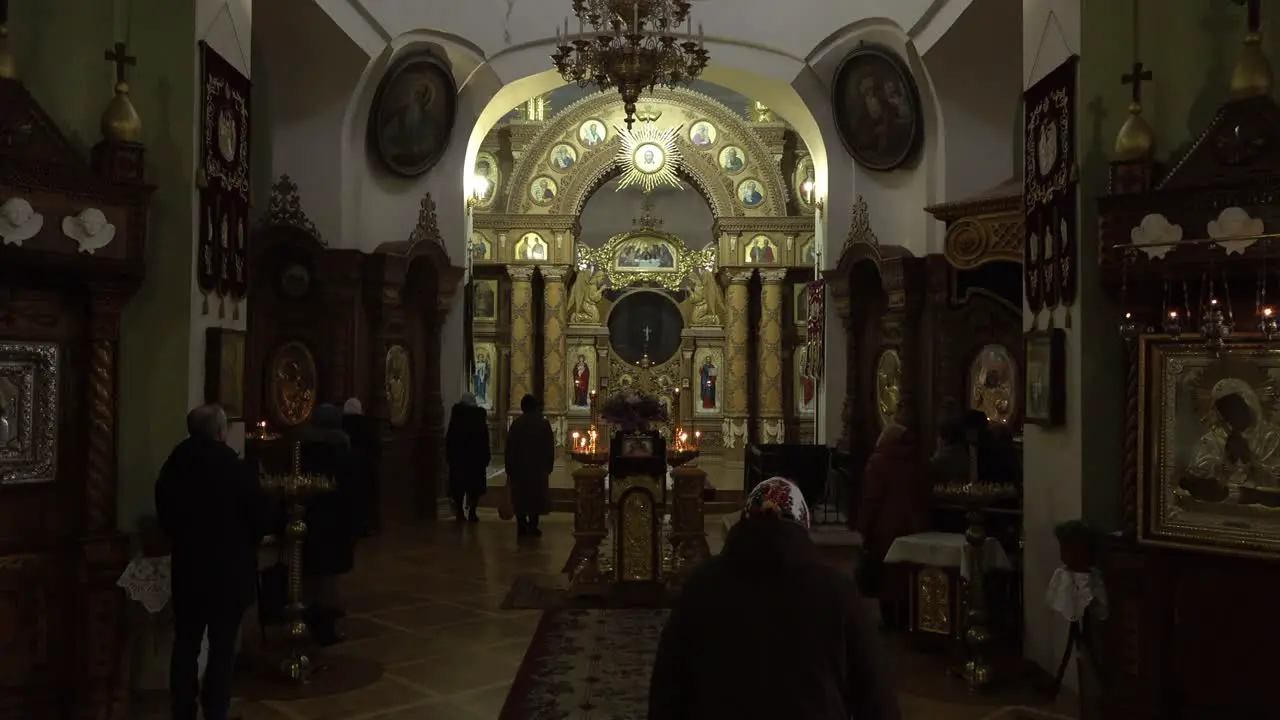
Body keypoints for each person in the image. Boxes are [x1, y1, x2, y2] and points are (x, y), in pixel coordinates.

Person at [649, 477, 901, 720]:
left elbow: (668, 688)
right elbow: (875, 695)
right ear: (804, 526)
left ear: (745, 519)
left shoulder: (701, 584)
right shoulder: (837, 591)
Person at [155, 404, 265, 720]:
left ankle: (183, 710)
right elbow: (258, 518)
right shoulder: (237, 468)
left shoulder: (175, 466)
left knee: (186, 643)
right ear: (220, 432)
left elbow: (166, 512)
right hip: (229, 572)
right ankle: (216, 711)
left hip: (189, 568)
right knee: (222, 647)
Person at [857, 424, 932, 631]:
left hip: (886, 525)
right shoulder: (919, 462)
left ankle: (890, 620)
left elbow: (871, 498)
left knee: (888, 573)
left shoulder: (878, 462)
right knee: (911, 571)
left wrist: (864, 527)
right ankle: (910, 618)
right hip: (916, 525)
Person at [299, 403, 358, 645]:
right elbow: (351, 492)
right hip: (336, 522)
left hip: (310, 519)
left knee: (313, 575)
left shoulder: (303, 450)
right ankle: (325, 626)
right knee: (329, 578)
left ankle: (309, 617)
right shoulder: (342, 453)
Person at [505, 394, 555, 537]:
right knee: (535, 498)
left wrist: (509, 467)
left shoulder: (516, 424)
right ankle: (533, 526)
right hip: (538, 468)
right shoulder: (543, 424)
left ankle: (521, 524)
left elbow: (510, 448)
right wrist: (549, 465)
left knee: (520, 497)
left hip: (519, 468)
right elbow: (549, 447)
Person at [446, 392, 491, 522]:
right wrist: (485, 456)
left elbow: (451, 438)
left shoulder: (457, 416)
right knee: (474, 487)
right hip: (475, 459)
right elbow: (484, 439)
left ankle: (459, 512)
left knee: (458, 487)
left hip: (458, 458)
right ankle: (472, 511)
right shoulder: (479, 416)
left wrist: (450, 456)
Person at [342, 397, 379, 536]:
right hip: (364, 470)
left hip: (345, 471)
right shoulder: (365, 427)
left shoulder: (341, 426)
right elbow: (374, 447)